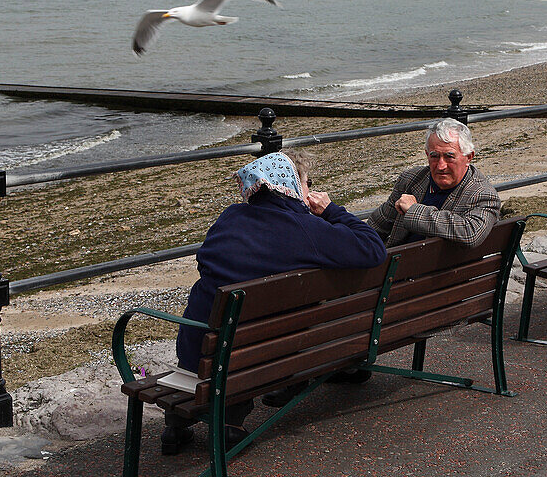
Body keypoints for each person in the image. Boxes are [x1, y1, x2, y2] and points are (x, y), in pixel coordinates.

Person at [163, 150, 387, 455]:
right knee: (257, 330)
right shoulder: (308, 231)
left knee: (219, 313)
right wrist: (332, 210)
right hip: (267, 357)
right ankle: (229, 422)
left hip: (199, 351)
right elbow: (373, 249)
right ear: (292, 185)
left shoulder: (230, 218)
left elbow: (206, 264)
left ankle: (178, 420)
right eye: (308, 183)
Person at [369, 118, 501, 249]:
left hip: (439, 268)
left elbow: (470, 233)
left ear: (469, 157)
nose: (441, 166)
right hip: (398, 262)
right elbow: (377, 225)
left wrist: (413, 210)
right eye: (434, 156)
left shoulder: (483, 194)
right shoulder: (411, 179)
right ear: (427, 154)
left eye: (449, 156)